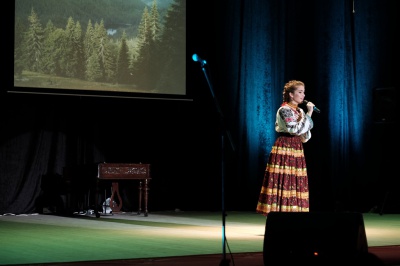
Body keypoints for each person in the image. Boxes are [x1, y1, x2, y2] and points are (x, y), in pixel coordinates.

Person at [256, 80, 316, 216]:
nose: (303, 95)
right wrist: (309, 114)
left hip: (296, 147)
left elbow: (305, 136)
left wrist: (306, 116)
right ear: (291, 94)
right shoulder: (284, 110)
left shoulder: (299, 110)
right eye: (299, 92)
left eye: (303, 92)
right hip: (285, 146)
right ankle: (278, 214)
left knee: (295, 180)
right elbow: (294, 129)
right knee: (283, 179)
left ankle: (293, 213)